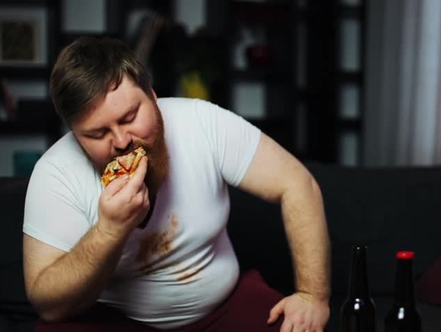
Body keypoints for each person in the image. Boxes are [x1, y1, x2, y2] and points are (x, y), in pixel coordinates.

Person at [22, 37, 331, 332]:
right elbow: (49, 306)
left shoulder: (201, 122)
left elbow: (298, 184)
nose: (121, 142)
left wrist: (311, 296)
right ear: (75, 134)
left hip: (223, 309)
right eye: (97, 134)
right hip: (116, 320)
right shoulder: (55, 172)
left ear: (153, 96)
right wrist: (109, 230)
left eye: (130, 116)